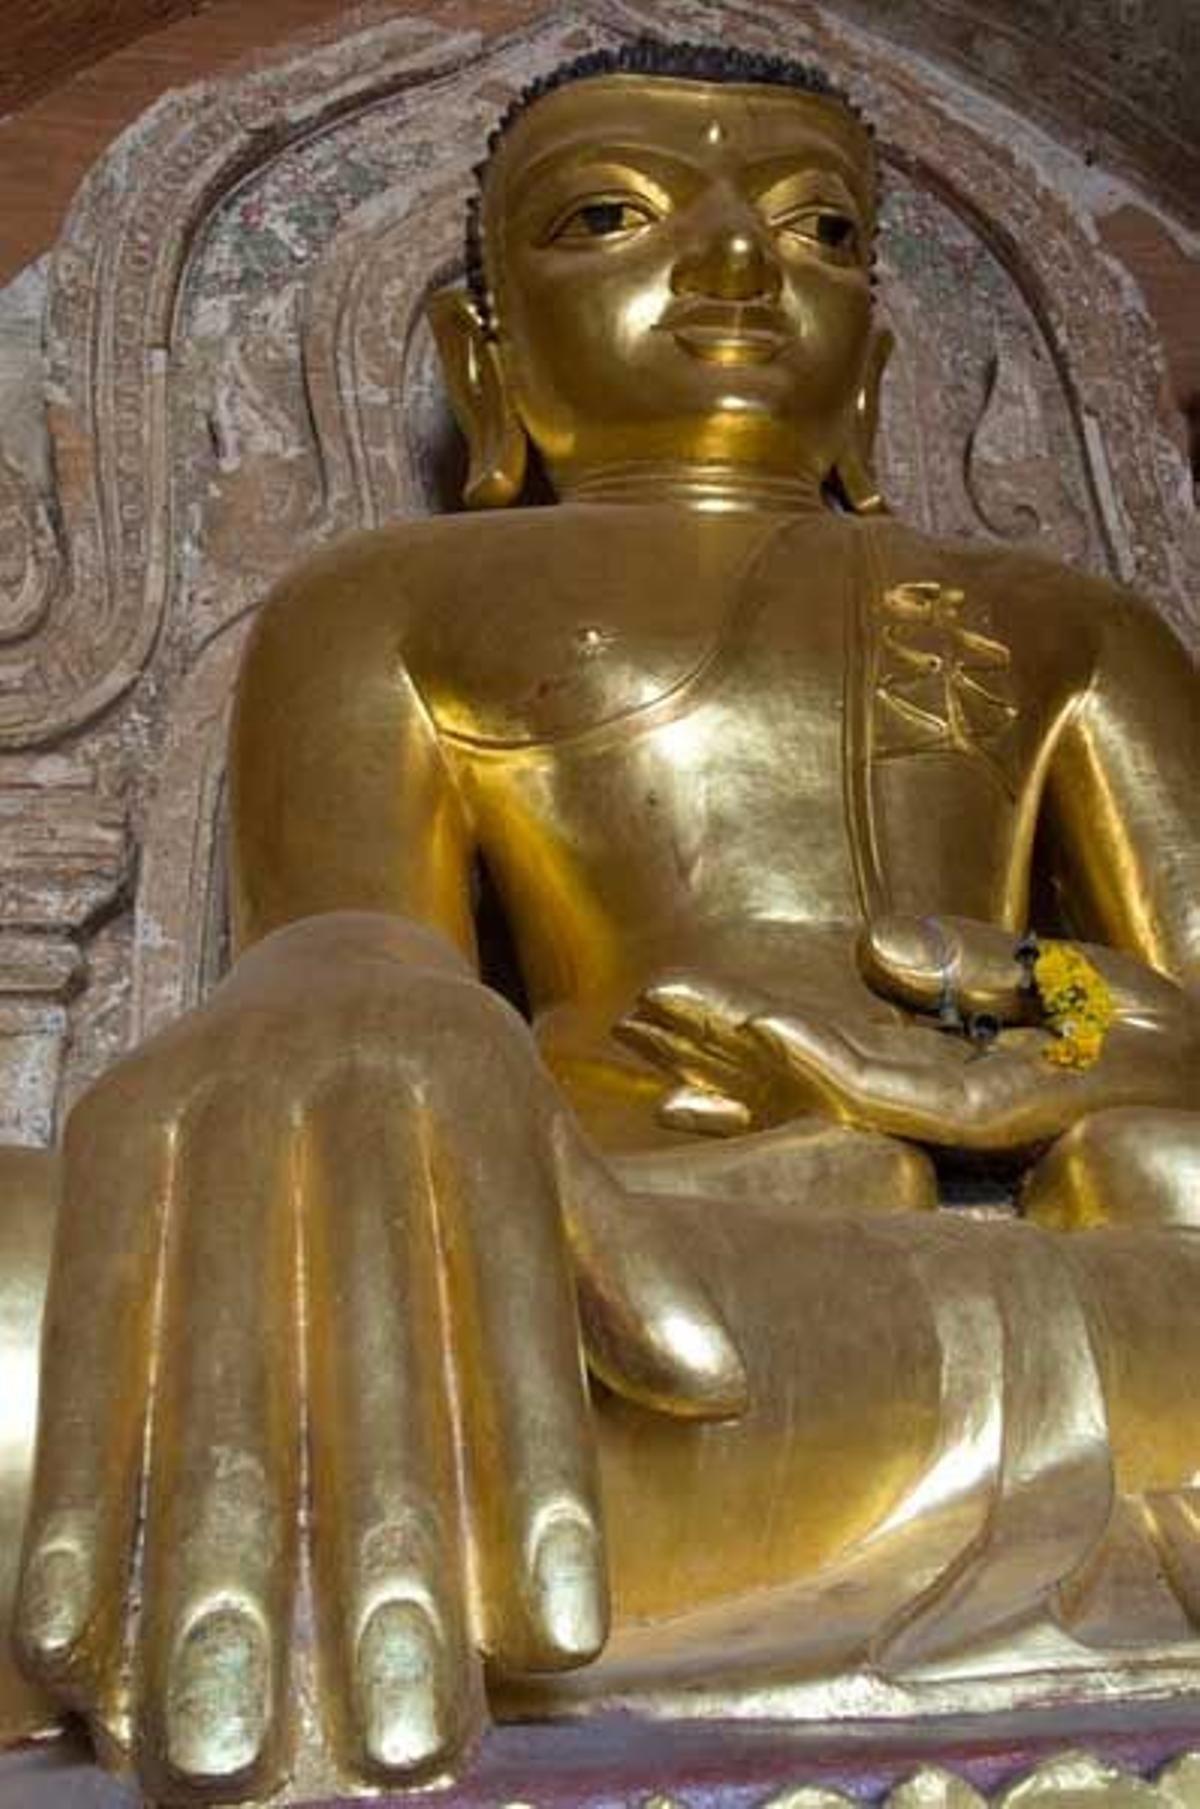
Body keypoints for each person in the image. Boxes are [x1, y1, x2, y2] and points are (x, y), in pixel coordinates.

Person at [4, 37, 1200, 1806]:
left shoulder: (1069, 622)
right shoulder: (383, 602)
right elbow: (348, 967)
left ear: (874, 360)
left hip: (1099, 1225)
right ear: (479, 365)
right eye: (611, 215)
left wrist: (1016, 1029)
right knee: (30, 1318)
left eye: (819, 231)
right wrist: (347, 978)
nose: (733, 269)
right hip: (622, 1264)